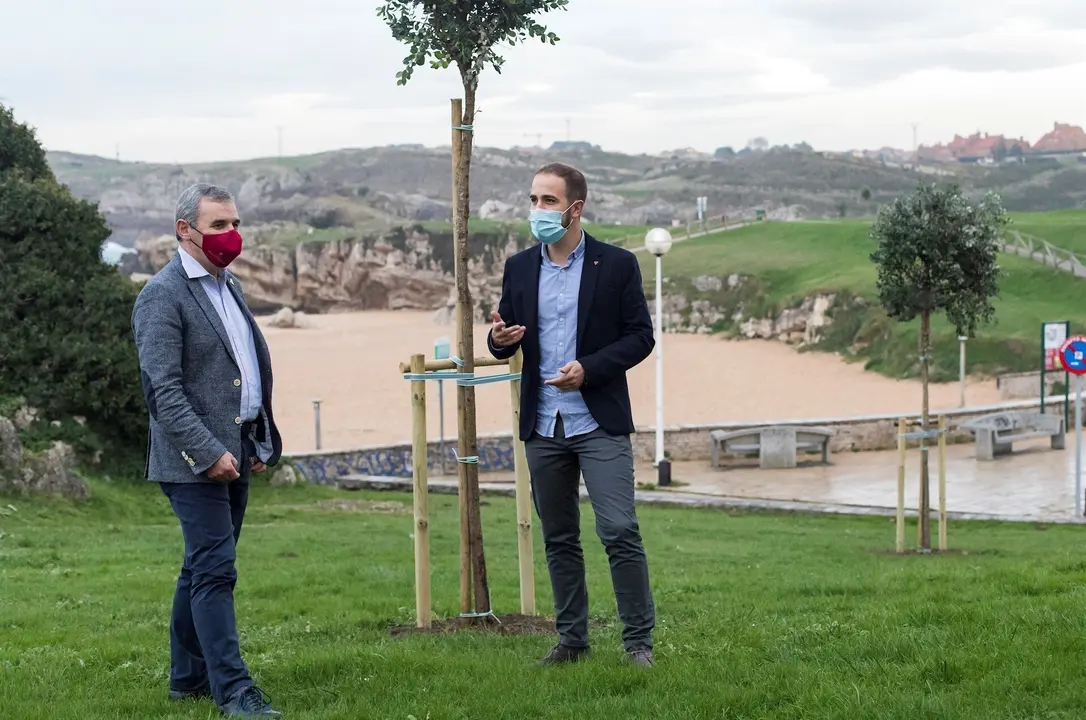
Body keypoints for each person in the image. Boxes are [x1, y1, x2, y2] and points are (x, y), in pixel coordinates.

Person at [487, 162, 657, 667]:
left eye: (548, 201)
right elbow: (504, 335)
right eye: (533, 199)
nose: (537, 210)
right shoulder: (519, 267)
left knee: (619, 530)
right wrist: (497, 341)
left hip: (597, 419)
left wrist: (589, 369)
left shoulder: (618, 263)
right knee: (559, 538)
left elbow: (640, 337)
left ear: (574, 209)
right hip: (543, 424)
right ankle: (572, 641)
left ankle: (638, 644)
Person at [131, 183, 283, 717]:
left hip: (237, 448)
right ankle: (235, 692)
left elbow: (244, 368)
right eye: (218, 225)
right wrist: (208, 450)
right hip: (192, 460)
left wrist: (257, 438)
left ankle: (186, 679)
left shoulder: (229, 285)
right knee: (216, 571)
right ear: (184, 231)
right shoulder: (162, 295)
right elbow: (162, 391)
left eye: (234, 223)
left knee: (201, 568)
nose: (231, 234)